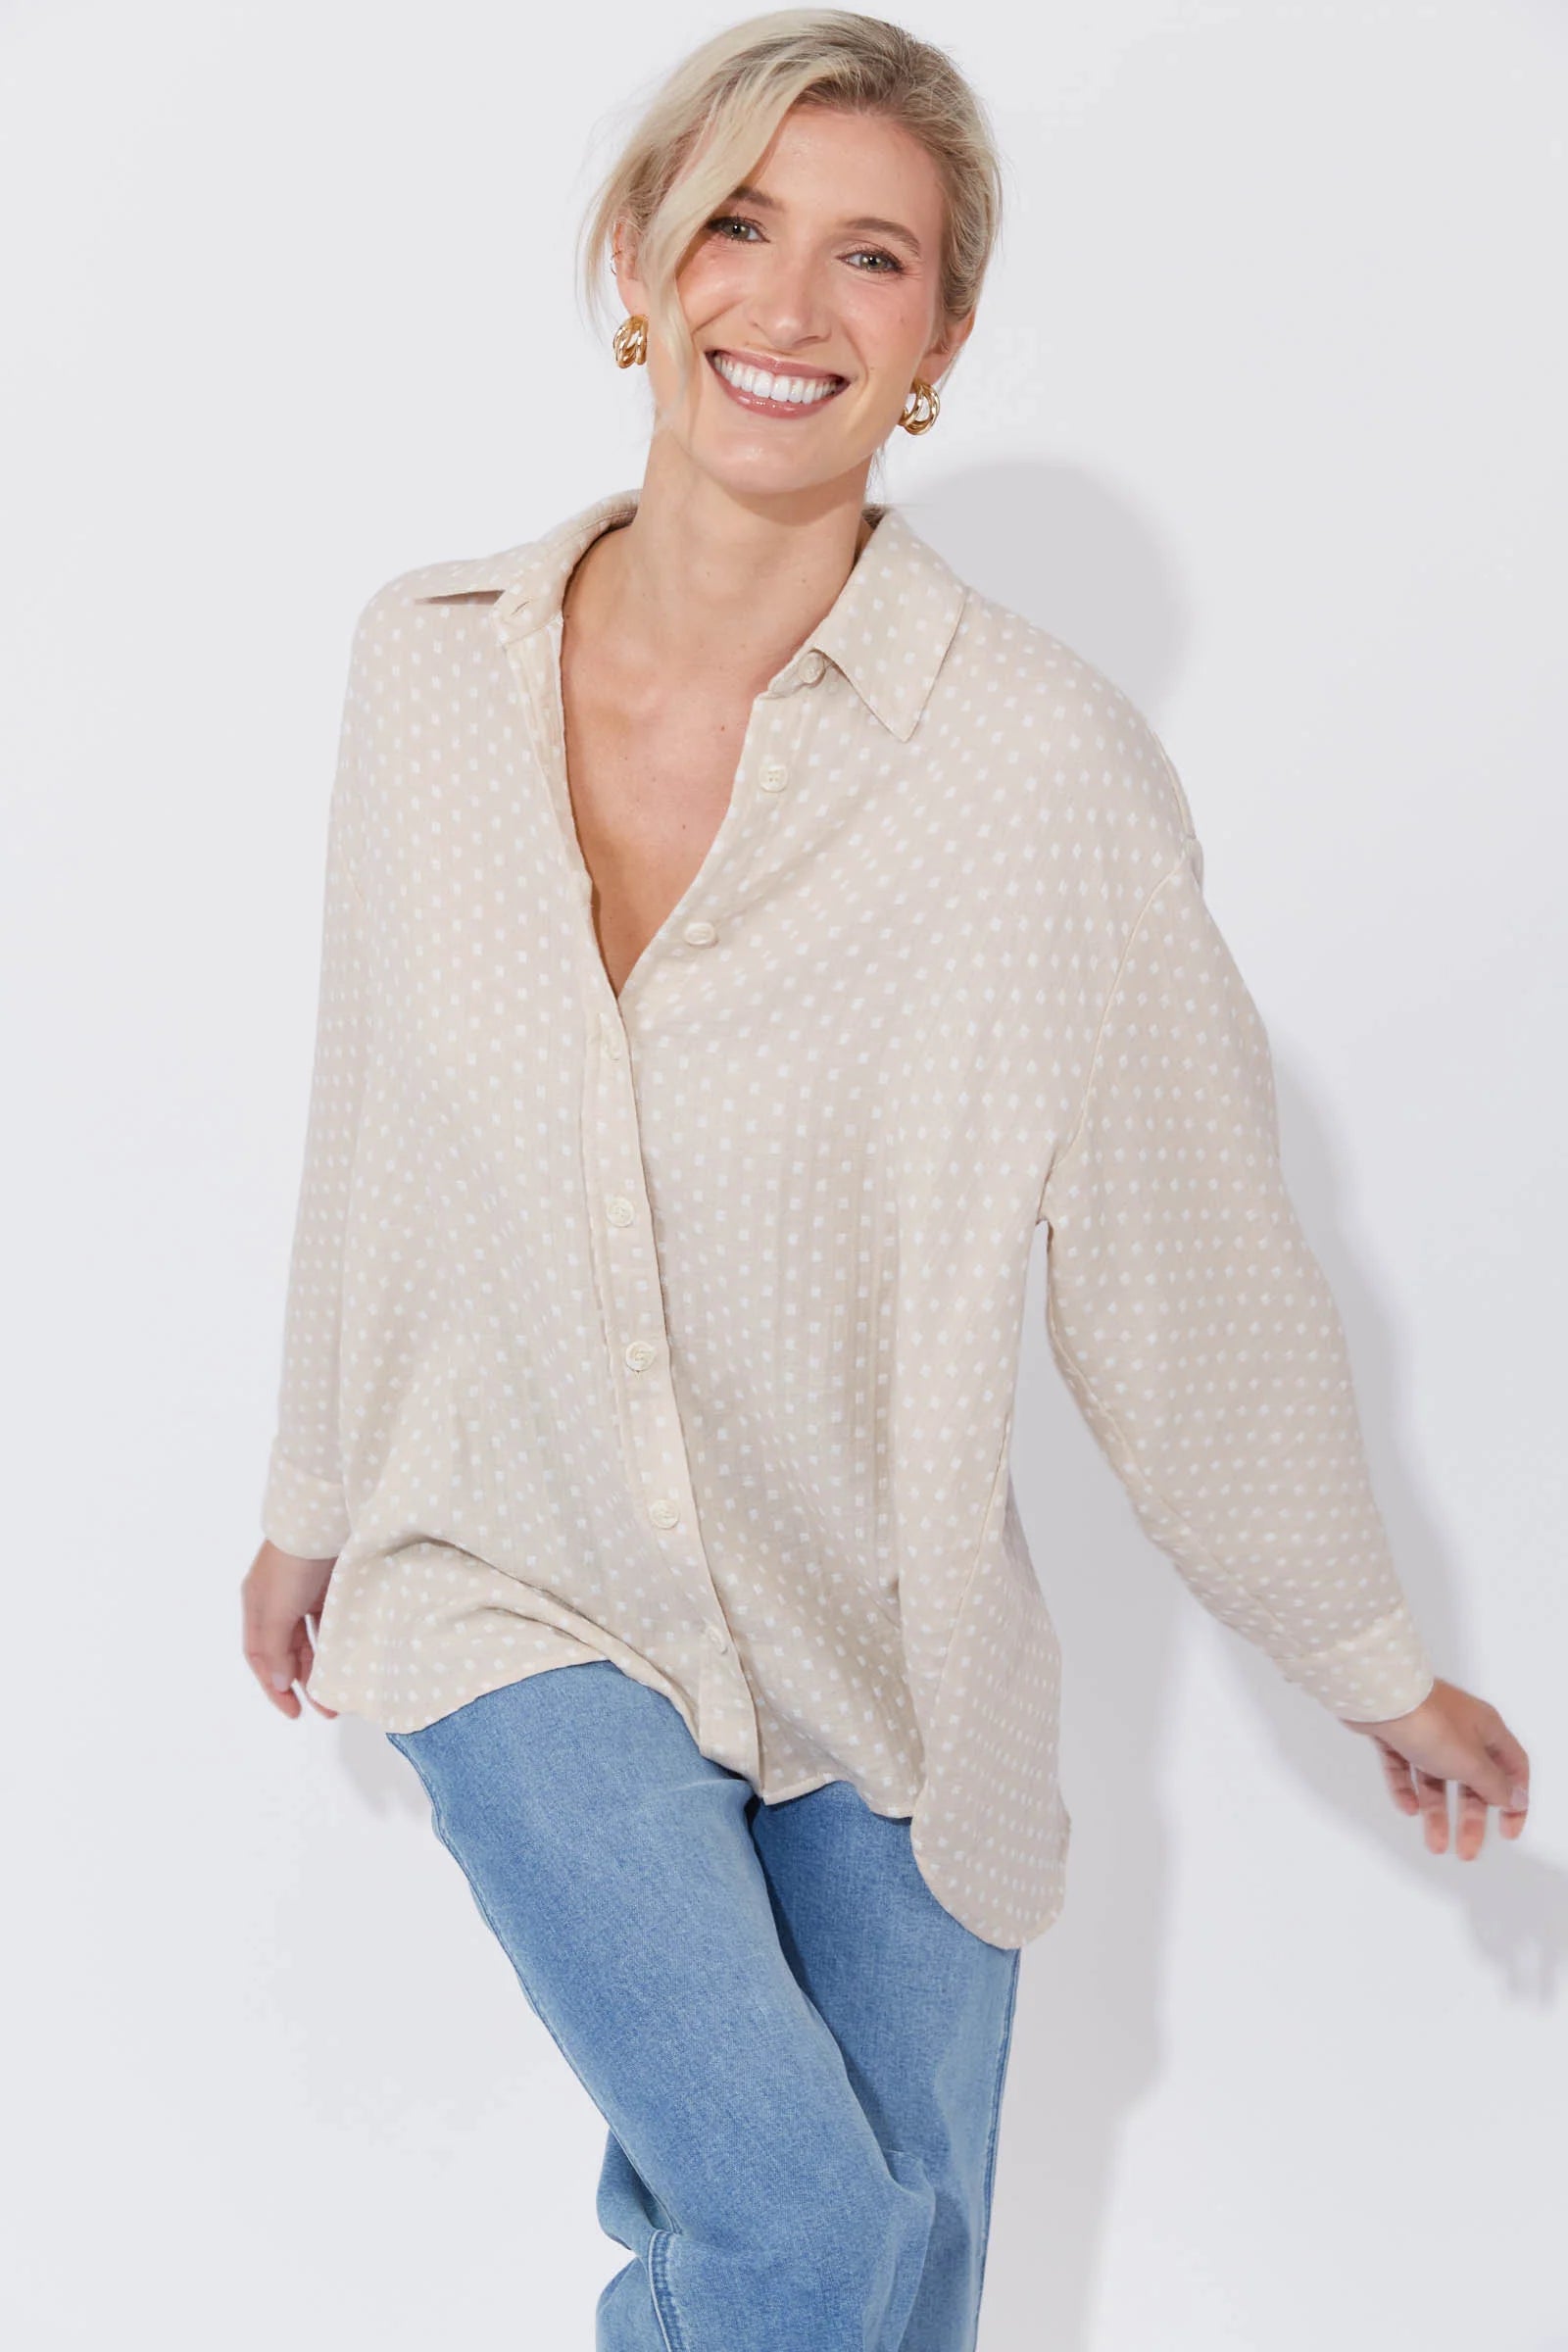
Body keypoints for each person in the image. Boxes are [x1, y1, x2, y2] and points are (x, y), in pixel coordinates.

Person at [240, 12, 1530, 2348]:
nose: (787, 302)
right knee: (801, 2239)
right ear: (635, 264)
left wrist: (1365, 1662)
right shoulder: (422, 673)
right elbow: (371, 1108)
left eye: (870, 256)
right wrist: (315, 1490)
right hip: (504, 1564)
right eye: (733, 223)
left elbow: (1186, 1257)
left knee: (905, 2262)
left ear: (937, 337)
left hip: (885, 1638)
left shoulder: (1036, 772)